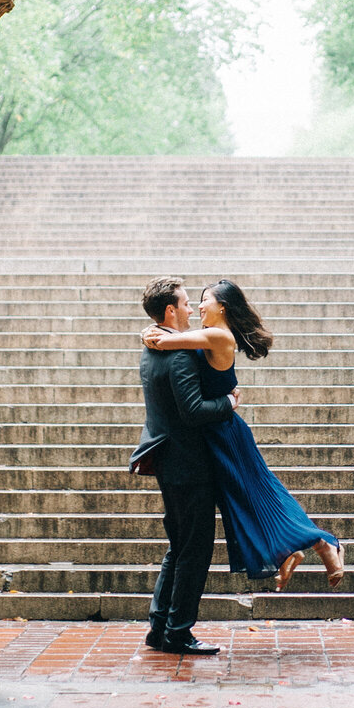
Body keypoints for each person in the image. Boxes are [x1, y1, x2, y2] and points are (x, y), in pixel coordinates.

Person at [143, 279, 345, 592]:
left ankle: (324, 545)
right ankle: (290, 550)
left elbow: (163, 341)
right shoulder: (206, 336)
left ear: (222, 306)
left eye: (205, 300)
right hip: (214, 434)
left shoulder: (218, 335)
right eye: (195, 301)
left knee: (260, 493)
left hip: (225, 433)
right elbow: (171, 339)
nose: (198, 306)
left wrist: (148, 333)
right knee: (246, 498)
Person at [130, 276, 238, 655]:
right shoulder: (176, 353)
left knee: (178, 548)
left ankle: (159, 627)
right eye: (186, 303)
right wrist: (230, 403)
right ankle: (178, 632)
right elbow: (193, 411)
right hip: (188, 464)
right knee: (194, 549)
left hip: (169, 460)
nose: (192, 309)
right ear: (171, 310)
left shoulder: (152, 346)